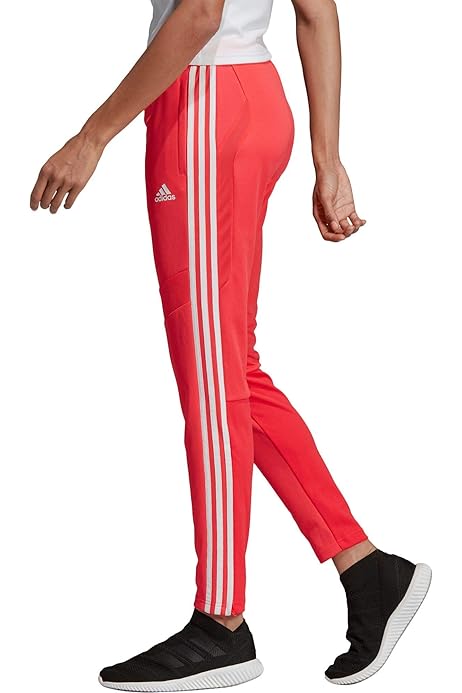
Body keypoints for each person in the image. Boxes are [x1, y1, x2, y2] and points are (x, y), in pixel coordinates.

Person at [29, 0, 431, 689]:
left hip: (205, 102)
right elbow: (316, 11)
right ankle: (368, 570)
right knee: (230, 371)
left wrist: (91, 137)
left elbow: (199, 14)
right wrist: (326, 158)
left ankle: (221, 621)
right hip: (244, 97)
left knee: (212, 384)